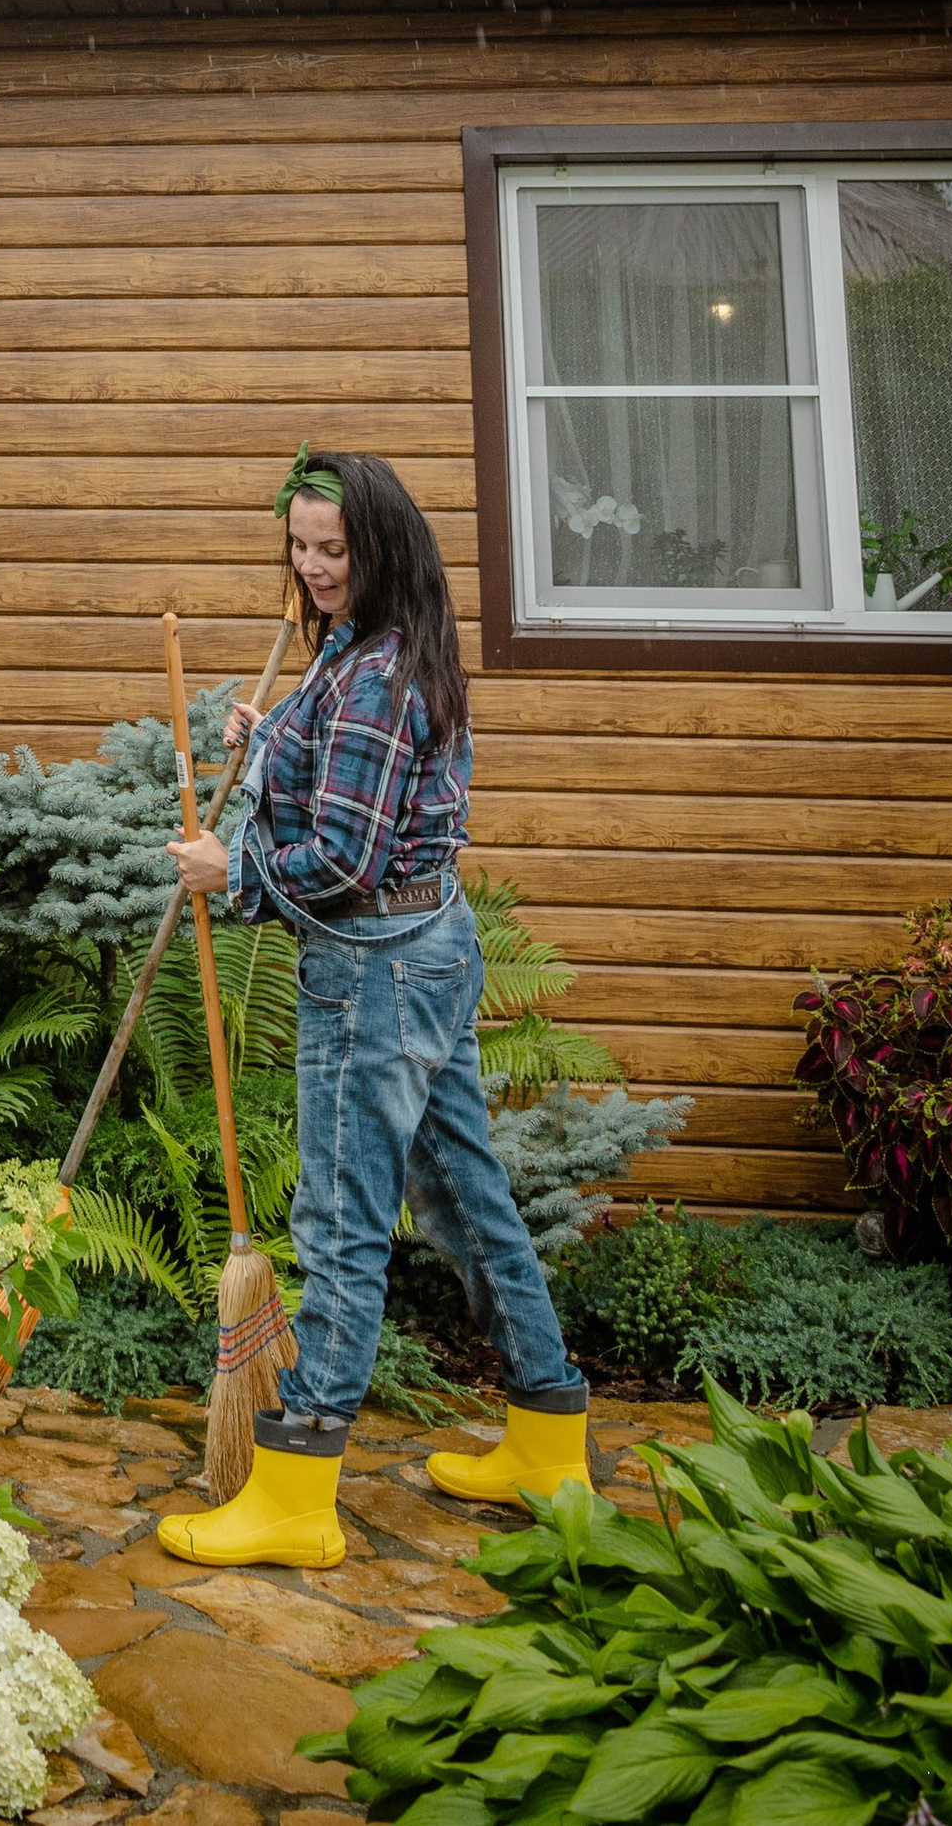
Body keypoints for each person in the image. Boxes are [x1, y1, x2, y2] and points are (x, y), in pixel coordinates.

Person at [152, 445, 590, 1571]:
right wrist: (273, 737)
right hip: (431, 946)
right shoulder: (377, 647)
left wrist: (230, 872)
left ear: (377, 545)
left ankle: (295, 1491)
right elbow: (351, 770)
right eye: (297, 546)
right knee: (465, 1198)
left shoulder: (378, 674)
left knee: (341, 1226)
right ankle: (551, 1438)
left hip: (375, 966)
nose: (311, 568)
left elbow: (342, 856)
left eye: (332, 548)